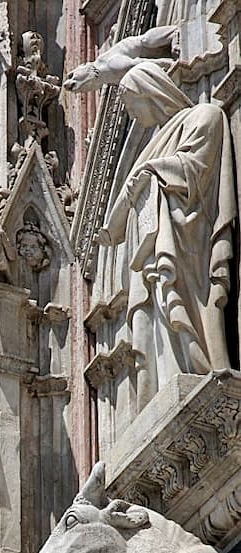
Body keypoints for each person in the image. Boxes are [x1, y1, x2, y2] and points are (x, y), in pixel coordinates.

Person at [98, 62, 235, 410]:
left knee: (177, 304)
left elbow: (198, 170)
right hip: (156, 253)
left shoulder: (204, 116)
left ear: (150, 93)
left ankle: (198, 363)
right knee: (153, 313)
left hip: (187, 244)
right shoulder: (156, 143)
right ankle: (160, 387)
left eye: (131, 104)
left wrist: (151, 172)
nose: (130, 114)